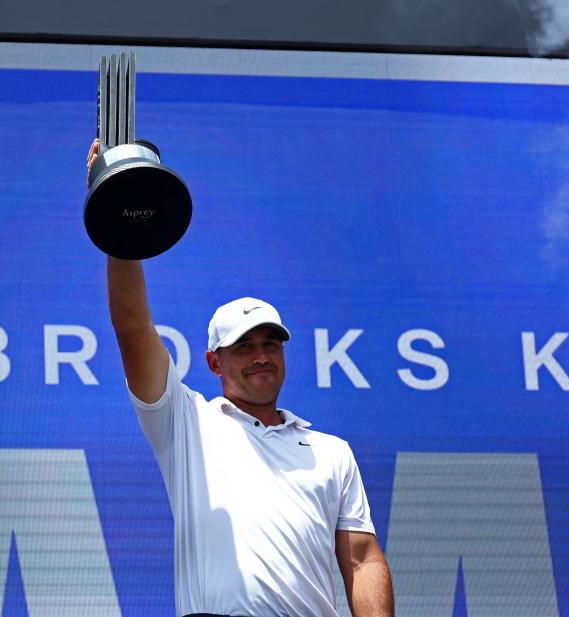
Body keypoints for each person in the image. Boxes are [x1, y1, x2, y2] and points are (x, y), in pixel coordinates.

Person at [90, 140, 394, 617]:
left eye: (270, 344)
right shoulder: (187, 423)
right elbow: (132, 328)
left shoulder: (331, 452)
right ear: (215, 362)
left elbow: (361, 559)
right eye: (244, 347)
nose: (260, 357)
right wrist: (118, 211)